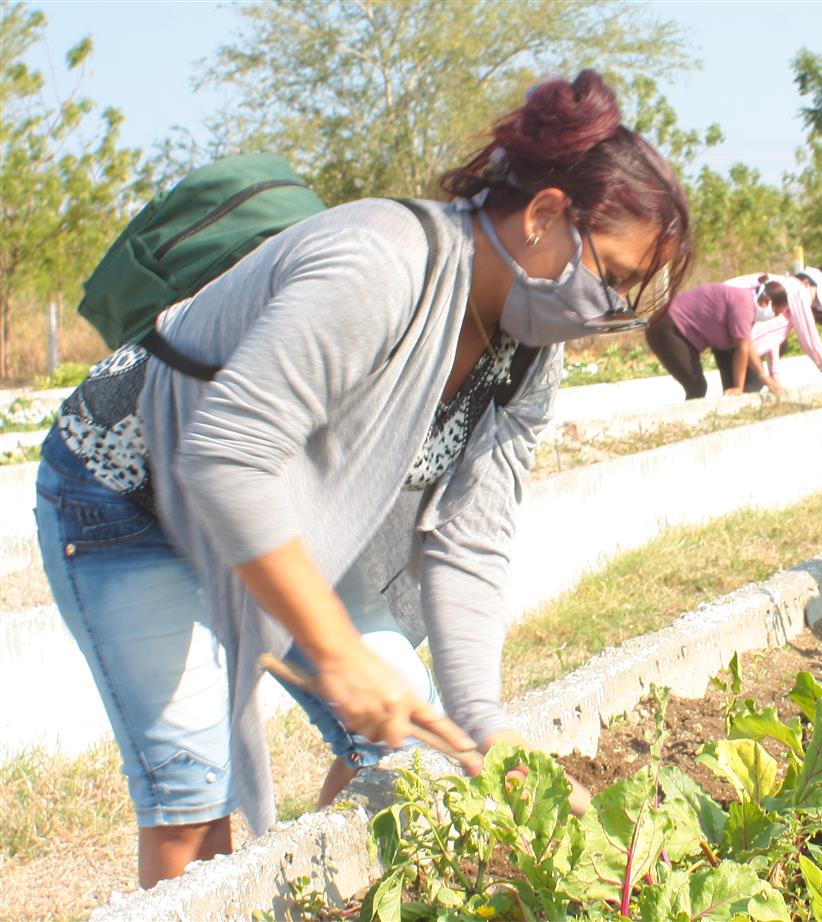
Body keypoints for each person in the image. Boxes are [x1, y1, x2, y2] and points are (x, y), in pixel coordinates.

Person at [33, 70, 693, 888]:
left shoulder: (530, 355)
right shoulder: (379, 265)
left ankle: (329, 900)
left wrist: (483, 720)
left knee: (408, 741)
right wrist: (339, 652)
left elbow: (472, 538)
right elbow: (225, 454)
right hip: (127, 493)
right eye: (614, 274)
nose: (614, 306)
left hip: (285, 502)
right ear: (545, 215)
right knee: (189, 783)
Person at [734, 270, 822, 400]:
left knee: (747, 383)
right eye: (814, 299)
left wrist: (775, 377)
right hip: (738, 336)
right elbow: (810, 340)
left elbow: (771, 337)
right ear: (806, 283)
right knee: (750, 385)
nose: (812, 304)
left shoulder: (781, 291)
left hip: (731, 329)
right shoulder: (798, 290)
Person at [644, 281, 759, 399]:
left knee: (753, 381)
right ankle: (686, 417)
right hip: (667, 327)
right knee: (696, 387)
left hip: (679, 330)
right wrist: (739, 387)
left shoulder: (744, 301)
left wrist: (764, 376)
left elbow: (746, 344)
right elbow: (742, 347)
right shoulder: (744, 305)